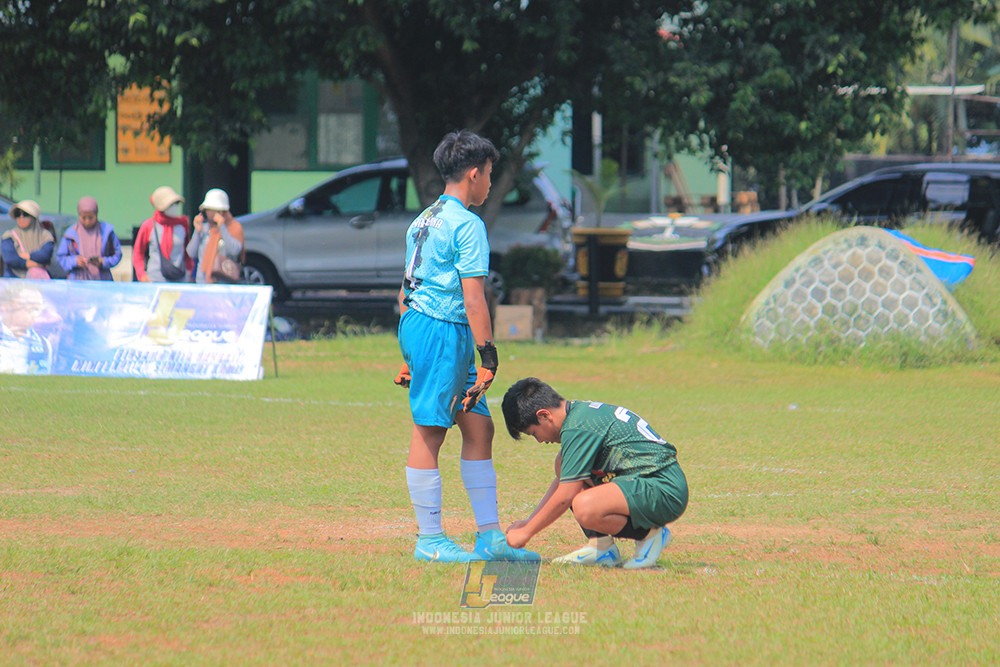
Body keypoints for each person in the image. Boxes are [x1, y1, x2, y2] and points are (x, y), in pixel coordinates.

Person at [395, 130, 539, 564]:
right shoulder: (468, 223)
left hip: (425, 329)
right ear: (473, 173)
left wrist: (410, 354)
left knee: (479, 428)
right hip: (443, 332)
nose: (491, 183)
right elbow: (474, 297)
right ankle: (430, 540)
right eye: (490, 174)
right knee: (431, 431)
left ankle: (490, 537)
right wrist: (489, 357)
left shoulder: (423, 218)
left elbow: (407, 289)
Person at [501, 377, 688, 569]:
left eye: (534, 433)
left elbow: (566, 495)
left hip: (664, 489)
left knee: (585, 506)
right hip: (644, 481)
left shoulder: (577, 427)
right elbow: (563, 482)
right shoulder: (578, 414)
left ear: (544, 415)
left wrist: (527, 532)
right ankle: (601, 547)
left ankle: (651, 535)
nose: (539, 441)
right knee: (563, 463)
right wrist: (528, 522)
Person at [132, 186, 193, 282]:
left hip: (180, 279)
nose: (175, 207)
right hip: (155, 279)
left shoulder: (182, 224)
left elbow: (187, 252)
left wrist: (189, 271)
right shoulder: (149, 225)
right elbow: (138, 252)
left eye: (176, 203)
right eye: (171, 204)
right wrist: (142, 275)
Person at [56, 196, 123, 281]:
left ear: (96, 214)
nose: (87, 221)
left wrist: (103, 261)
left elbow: (117, 254)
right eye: (83, 218)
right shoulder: (71, 234)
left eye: (91, 217)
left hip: (102, 281)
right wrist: (75, 261)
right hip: (77, 283)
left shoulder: (106, 231)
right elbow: (61, 257)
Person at [186, 188, 245, 284]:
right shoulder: (204, 229)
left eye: (212, 210)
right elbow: (191, 253)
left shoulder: (233, 228)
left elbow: (235, 251)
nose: (209, 213)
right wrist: (197, 231)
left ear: (222, 211)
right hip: (202, 282)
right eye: (207, 210)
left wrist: (222, 228)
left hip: (224, 283)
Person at [0, 282, 52, 374]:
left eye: (37, 309)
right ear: (7, 307)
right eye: (30, 308)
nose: (34, 314)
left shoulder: (43, 345)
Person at [1, 200, 55, 279]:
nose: (21, 217)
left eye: (25, 214)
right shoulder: (9, 236)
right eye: (17, 214)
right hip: (14, 280)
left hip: (38, 282)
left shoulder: (45, 235)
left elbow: (45, 256)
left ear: (33, 217)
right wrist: (33, 264)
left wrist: (26, 255)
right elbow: (10, 259)